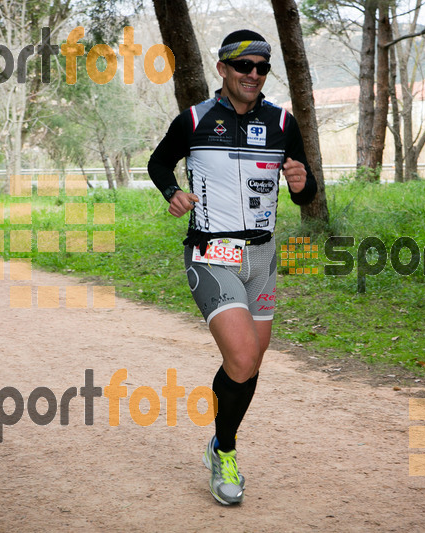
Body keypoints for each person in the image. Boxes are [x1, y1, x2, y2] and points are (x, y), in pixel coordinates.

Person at [148, 29, 317, 505]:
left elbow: (306, 192)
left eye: (262, 68)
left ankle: (218, 439)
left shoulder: (283, 121)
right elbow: (159, 164)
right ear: (222, 69)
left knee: (249, 362)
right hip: (211, 253)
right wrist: (172, 192)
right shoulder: (195, 120)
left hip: (262, 257)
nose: (254, 75)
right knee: (242, 357)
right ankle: (225, 450)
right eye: (245, 66)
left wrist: (303, 184)